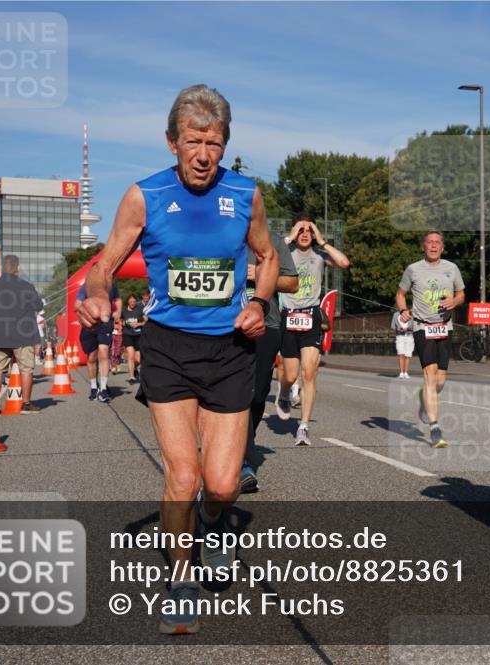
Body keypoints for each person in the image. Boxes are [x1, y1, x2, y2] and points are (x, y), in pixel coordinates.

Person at [75, 84, 277, 635]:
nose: (204, 155)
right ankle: (182, 581)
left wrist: (258, 302)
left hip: (230, 349)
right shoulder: (145, 195)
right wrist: (98, 295)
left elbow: (267, 255)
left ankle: (213, 523)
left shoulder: (246, 194)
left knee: (223, 485)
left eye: (214, 143)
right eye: (193, 141)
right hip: (167, 347)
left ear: (225, 144)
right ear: (172, 141)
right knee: (183, 477)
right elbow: (104, 265)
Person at [274, 214, 349, 447]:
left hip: (311, 317)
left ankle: (303, 427)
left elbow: (344, 263)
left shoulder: (319, 254)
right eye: (301, 230)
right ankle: (284, 393)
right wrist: (289, 237)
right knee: (290, 375)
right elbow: (265, 257)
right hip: (289, 316)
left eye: (309, 230)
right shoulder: (285, 252)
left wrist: (322, 240)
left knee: (308, 373)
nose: (305, 234)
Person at [395, 230, 465, 448]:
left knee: (440, 381)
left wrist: (455, 301)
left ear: (442, 247)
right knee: (430, 375)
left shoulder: (452, 268)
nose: (433, 246)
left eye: (437, 243)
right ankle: (435, 429)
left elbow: (461, 294)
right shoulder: (413, 269)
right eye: (429, 242)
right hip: (422, 327)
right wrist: (403, 310)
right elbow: (400, 294)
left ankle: (424, 399)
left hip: (445, 326)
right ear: (423, 246)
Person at [241, 229, 299, 493]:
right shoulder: (218, 230)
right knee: (233, 393)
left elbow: (292, 283)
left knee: (257, 394)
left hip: (267, 323)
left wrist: (261, 276)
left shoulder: (272, 240)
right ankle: (242, 461)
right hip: (224, 322)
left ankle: (243, 444)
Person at [0, 254, 43, 414]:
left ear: (2, 267)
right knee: (26, 369)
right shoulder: (26, 286)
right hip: (23, 336)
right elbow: (38, 306)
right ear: (18, 268)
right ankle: (26, 404)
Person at [76, 281, 121, 402]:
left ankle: (103, 389)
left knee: (104, 354)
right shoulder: (86, 287)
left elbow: (117, 300)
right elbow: (78, 304)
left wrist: (118, 312)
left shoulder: (111, 285)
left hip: (105, 323)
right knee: (91, 358)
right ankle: (94, 387)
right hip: (90, 325)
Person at [122, 293, 147, 384]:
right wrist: (124, 323)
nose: (132, 303)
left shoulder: (139, 310)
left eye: (134, 301)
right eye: (131, 301)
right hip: (127, 335)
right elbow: (119, 320)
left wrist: (139, 324)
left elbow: (146, 320)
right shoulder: (123, 310)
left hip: (138, 335)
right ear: (128, 302)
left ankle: (135, 368)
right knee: (131, 355)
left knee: (138, 359)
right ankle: (131, 377)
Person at [391, 307, 414, 379]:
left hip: (409, 336)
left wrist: (408, 329)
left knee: (408, 355)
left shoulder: (411, 315)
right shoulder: (396, 315)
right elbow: (392, 326)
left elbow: (414, 327)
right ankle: (401, 372)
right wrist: (397, 328)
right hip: (400, 337)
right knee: (400, 354)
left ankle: (406, 372)